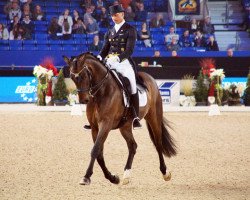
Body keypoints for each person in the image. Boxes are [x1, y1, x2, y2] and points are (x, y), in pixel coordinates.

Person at [84, 4, 142, 130]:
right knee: (95, 81)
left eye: (116, 15)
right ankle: (93, 117)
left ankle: (135, 117)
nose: (114, 18)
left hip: (124, 62)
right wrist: (99, 57)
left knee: (132, 84)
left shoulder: (130, 30)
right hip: (109, 60)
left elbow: (129, 50)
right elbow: (105, 49)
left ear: (122, 14)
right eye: (112, 16)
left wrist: (119, 58)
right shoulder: (109, 32)